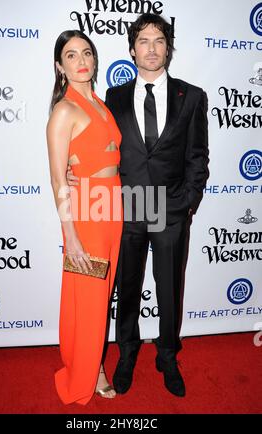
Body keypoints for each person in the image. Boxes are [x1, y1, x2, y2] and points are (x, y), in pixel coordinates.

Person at [67, 13, 209, 398]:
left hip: (171, 209)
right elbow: (95, 141)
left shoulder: (192, 96)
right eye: (143, 41)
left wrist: (187, 203)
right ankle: (126, 354)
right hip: (126, 206)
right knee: (126, 290)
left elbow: (198, 156)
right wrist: (70, 170)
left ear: (168, 48)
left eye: (159, 40)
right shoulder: (112, 96)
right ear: (132, 50)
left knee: (169, 290)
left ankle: (167, 355)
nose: (151, 48)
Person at [47, 30, 123, 405]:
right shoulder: (65, 109)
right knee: (91, 299)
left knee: (101, 294)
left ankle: (92, 362)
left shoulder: (100, 103)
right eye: (71, 55)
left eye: (87, 53)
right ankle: (92, 372)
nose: (81, 60)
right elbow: (58, 177)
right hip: (87, 214)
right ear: (60, 66)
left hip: (113, 209)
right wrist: (70, 235)